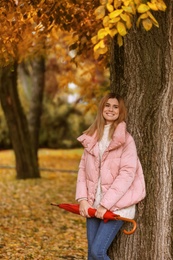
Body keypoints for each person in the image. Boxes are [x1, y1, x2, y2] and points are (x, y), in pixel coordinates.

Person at [75, 93, 146, 260]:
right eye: (107, 105)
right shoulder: (92, 137)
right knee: (91, 255)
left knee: (97, 252)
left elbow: (127, 174)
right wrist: (83, 199)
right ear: (101, 108)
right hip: (93, 204)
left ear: (120, 111)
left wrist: (105, 204)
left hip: (116, 206)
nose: (111, 109)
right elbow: (83, 170)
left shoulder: (126, 140)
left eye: (115, 106)